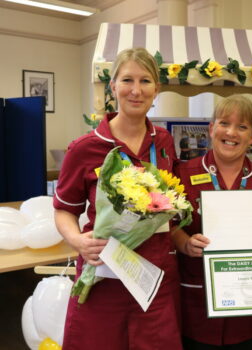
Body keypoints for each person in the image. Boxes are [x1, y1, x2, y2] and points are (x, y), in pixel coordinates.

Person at [53, 48, 182, 349]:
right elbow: (63, 210)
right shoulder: (84, 148)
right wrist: (77, 240)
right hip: (102, 276)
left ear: (156, 89)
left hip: (153, 278)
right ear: (113, 87)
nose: (136, 90)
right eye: (127, 80)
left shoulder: (163, 142)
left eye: (145, 81)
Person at [172, 95, 252, 350]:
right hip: (196, 302)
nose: (232, 133)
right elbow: (168, 226)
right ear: (212, 129)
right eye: (224, 123)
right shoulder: (182, 174)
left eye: (242, 127)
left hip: (248, 306)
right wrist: (185, 244)